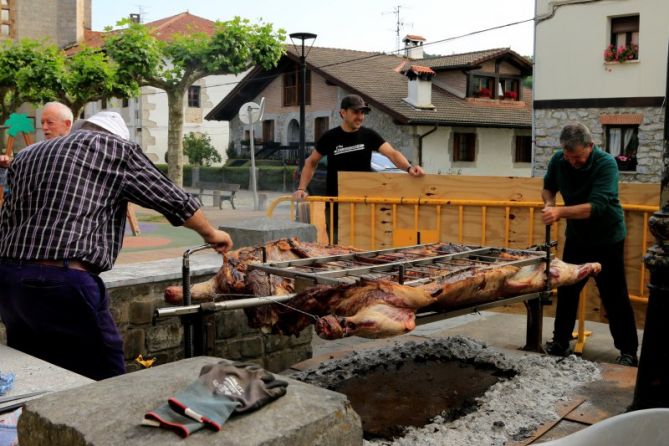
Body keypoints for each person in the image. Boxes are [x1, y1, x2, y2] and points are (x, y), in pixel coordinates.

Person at [0, 111, 233, 380]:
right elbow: (173, 200)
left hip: (9, 279)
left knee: (35, 370)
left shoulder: (28, 154)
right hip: (62, 281)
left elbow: (8, 216)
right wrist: (211, 233)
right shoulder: (115, 148)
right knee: (105, 375)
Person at [541, 122, 639, 366]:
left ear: (590, 146)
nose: (574, 162)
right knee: (567, 290)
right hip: (577, 238)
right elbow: (548, 187)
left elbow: (597, 207)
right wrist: (549, 203)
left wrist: (560, 213)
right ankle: (560, 342)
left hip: (608, 239)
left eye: (579, 157)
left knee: (614, 295)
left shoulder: (606, 163)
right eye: (569, 157)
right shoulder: (558, 160)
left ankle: (628, 351)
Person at [293, 94, 425, 242]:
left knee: (364, 246)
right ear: (343, 113)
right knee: (337, 249)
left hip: (364, 204)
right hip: (336, 206)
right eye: (356, 112)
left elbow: (392, 154)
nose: (360, 117)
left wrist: (409, 168)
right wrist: (301, 188)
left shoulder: (369, 135)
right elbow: (311, 162)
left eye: (362, 113)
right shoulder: (330, 137)